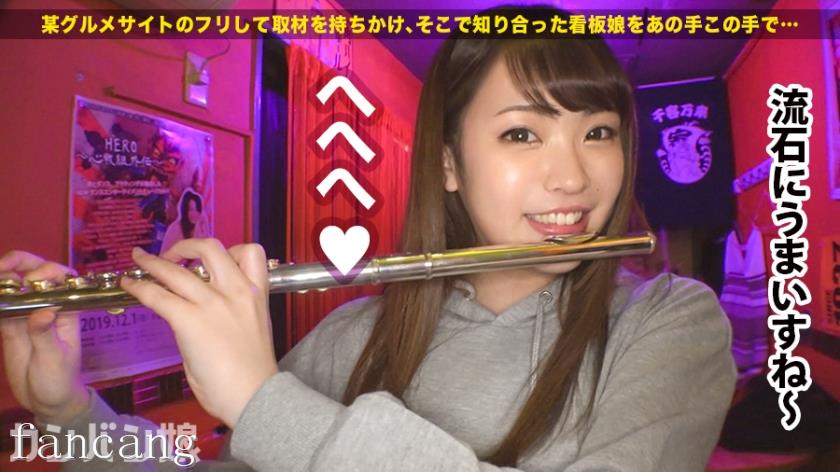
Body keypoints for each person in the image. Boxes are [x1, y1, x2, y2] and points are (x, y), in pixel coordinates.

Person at [0, 7, 737, 471]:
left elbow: (276, 421)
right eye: (522, 133)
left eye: (599, 133)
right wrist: (70, 415)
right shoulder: (353, 334)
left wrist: (261, 398)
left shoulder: (669, 322)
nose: (573, 176)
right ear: (447, 165)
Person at [160, 189, 211, 254]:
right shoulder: (176, 228)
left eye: (197, 210)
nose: (194, 214)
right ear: (185, 211)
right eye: (191, 210)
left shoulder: (201, 227)